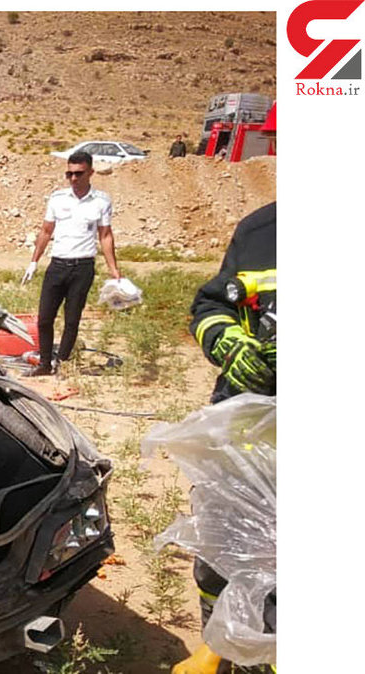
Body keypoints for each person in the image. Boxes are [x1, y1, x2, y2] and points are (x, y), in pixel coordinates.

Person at [173, 202, 276, 674]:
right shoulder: (261, 230)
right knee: (220, 546)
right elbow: (212, 303)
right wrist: (227, 341)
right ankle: (218, 642)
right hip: (242, 433)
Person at [22, 150, 121, 376]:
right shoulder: (57, 198)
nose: (74, 178)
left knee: (72, 318)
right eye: (69, 174)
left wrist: (114, 269)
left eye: (79, 173)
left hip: (83, 267)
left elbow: (105, 235)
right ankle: (45, 363)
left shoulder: (101, 201)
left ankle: (61, 363)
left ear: (91, 172)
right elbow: (46, 231)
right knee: (45, 317)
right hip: (57, 265)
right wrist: (33, 261)